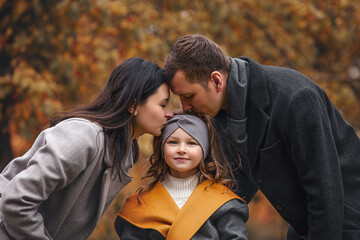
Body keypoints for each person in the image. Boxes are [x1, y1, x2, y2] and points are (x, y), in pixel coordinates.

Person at [162, 34, 360, 240]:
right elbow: (229, 189)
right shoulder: (221, 115)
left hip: (347, 224)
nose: (185, 107)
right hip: (307, 226)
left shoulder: (295, 98)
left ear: (216, 80)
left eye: (189, 96)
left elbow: (326, 191)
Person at [0, 57, 173, 240]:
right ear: (133, 105)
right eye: (163, 104)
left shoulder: (126, 152)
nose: (170, 113)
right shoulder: (83, 136)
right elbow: (16, 201)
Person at [114, 113, 249, 240]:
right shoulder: (140, 204)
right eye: (173, 142)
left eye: (192, 143)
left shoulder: (222, 202)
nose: (181, 149)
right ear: (161, 148)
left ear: (205, 150)